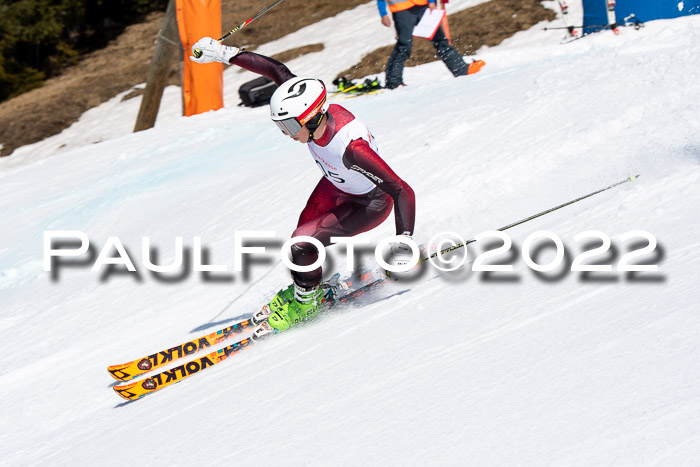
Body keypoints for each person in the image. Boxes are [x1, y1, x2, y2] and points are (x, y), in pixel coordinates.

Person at [190, 38, 416, 335]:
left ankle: (306, 301)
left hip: (370, 202)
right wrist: (223, 54)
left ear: (311, 119)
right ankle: (310, 288)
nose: (287, 134)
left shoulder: (351, 148)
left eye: (290, 127)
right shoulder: (310, 108)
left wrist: (403, 244)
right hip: (336, 183)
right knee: (302, 243)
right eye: (281, 127)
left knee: (302, 243)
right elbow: (276, 70)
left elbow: (401, 190)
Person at [377, 0, 485, 89]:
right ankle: (394, 82)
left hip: (423, 7)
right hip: (402, 10)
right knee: (404, 46)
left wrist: (432, 2)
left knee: (441, 40)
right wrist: (383, 13)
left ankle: (462, 70)